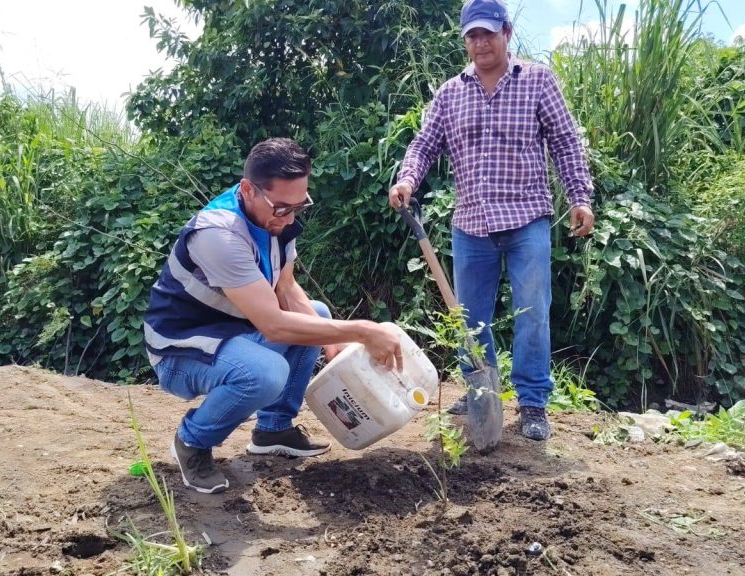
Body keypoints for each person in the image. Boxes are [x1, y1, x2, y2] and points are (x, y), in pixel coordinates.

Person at [145, 137, 404, 494]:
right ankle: (192, 441)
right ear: (247, 189)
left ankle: (273, 429)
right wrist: (362, 330)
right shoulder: (218, 235)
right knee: (265, 373)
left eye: (299, 206)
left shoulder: (275, 221)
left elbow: (287, 288)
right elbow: (274, 325)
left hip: (228, 334)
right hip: (179, 350)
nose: (291, 217)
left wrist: (334, 343)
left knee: (317, 314)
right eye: (282, 207)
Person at [387, 0, 595, 442]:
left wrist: (580, 198)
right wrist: (407, 179)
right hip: (471, 225)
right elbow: (424, 144)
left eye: (488, 33)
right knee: (470, 318)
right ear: (465, 40)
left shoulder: (537, 80)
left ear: (506, 33)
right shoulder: (450, 93)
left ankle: (533, 403)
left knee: (532, 313)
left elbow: (566, 142)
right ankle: (481, 390)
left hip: (526, 219)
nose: (480, 43)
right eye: (472, 36)